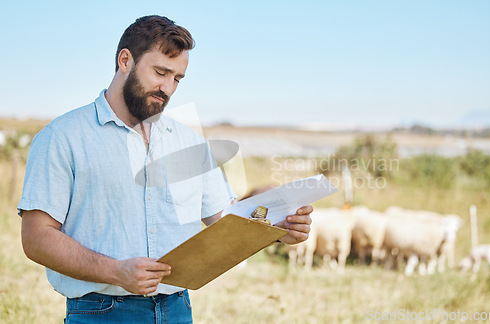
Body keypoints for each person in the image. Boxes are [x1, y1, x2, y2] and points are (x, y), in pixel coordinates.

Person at [18, 15, 312, 323]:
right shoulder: (63, 136)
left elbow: (226, 220)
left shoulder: (189, 142)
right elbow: (37, 238)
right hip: (101, 313)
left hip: (177, 310)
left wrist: (279, 229)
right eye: (161, 72)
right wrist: (115, 271)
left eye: (177, 79)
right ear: (125, 60)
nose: (168, 88)